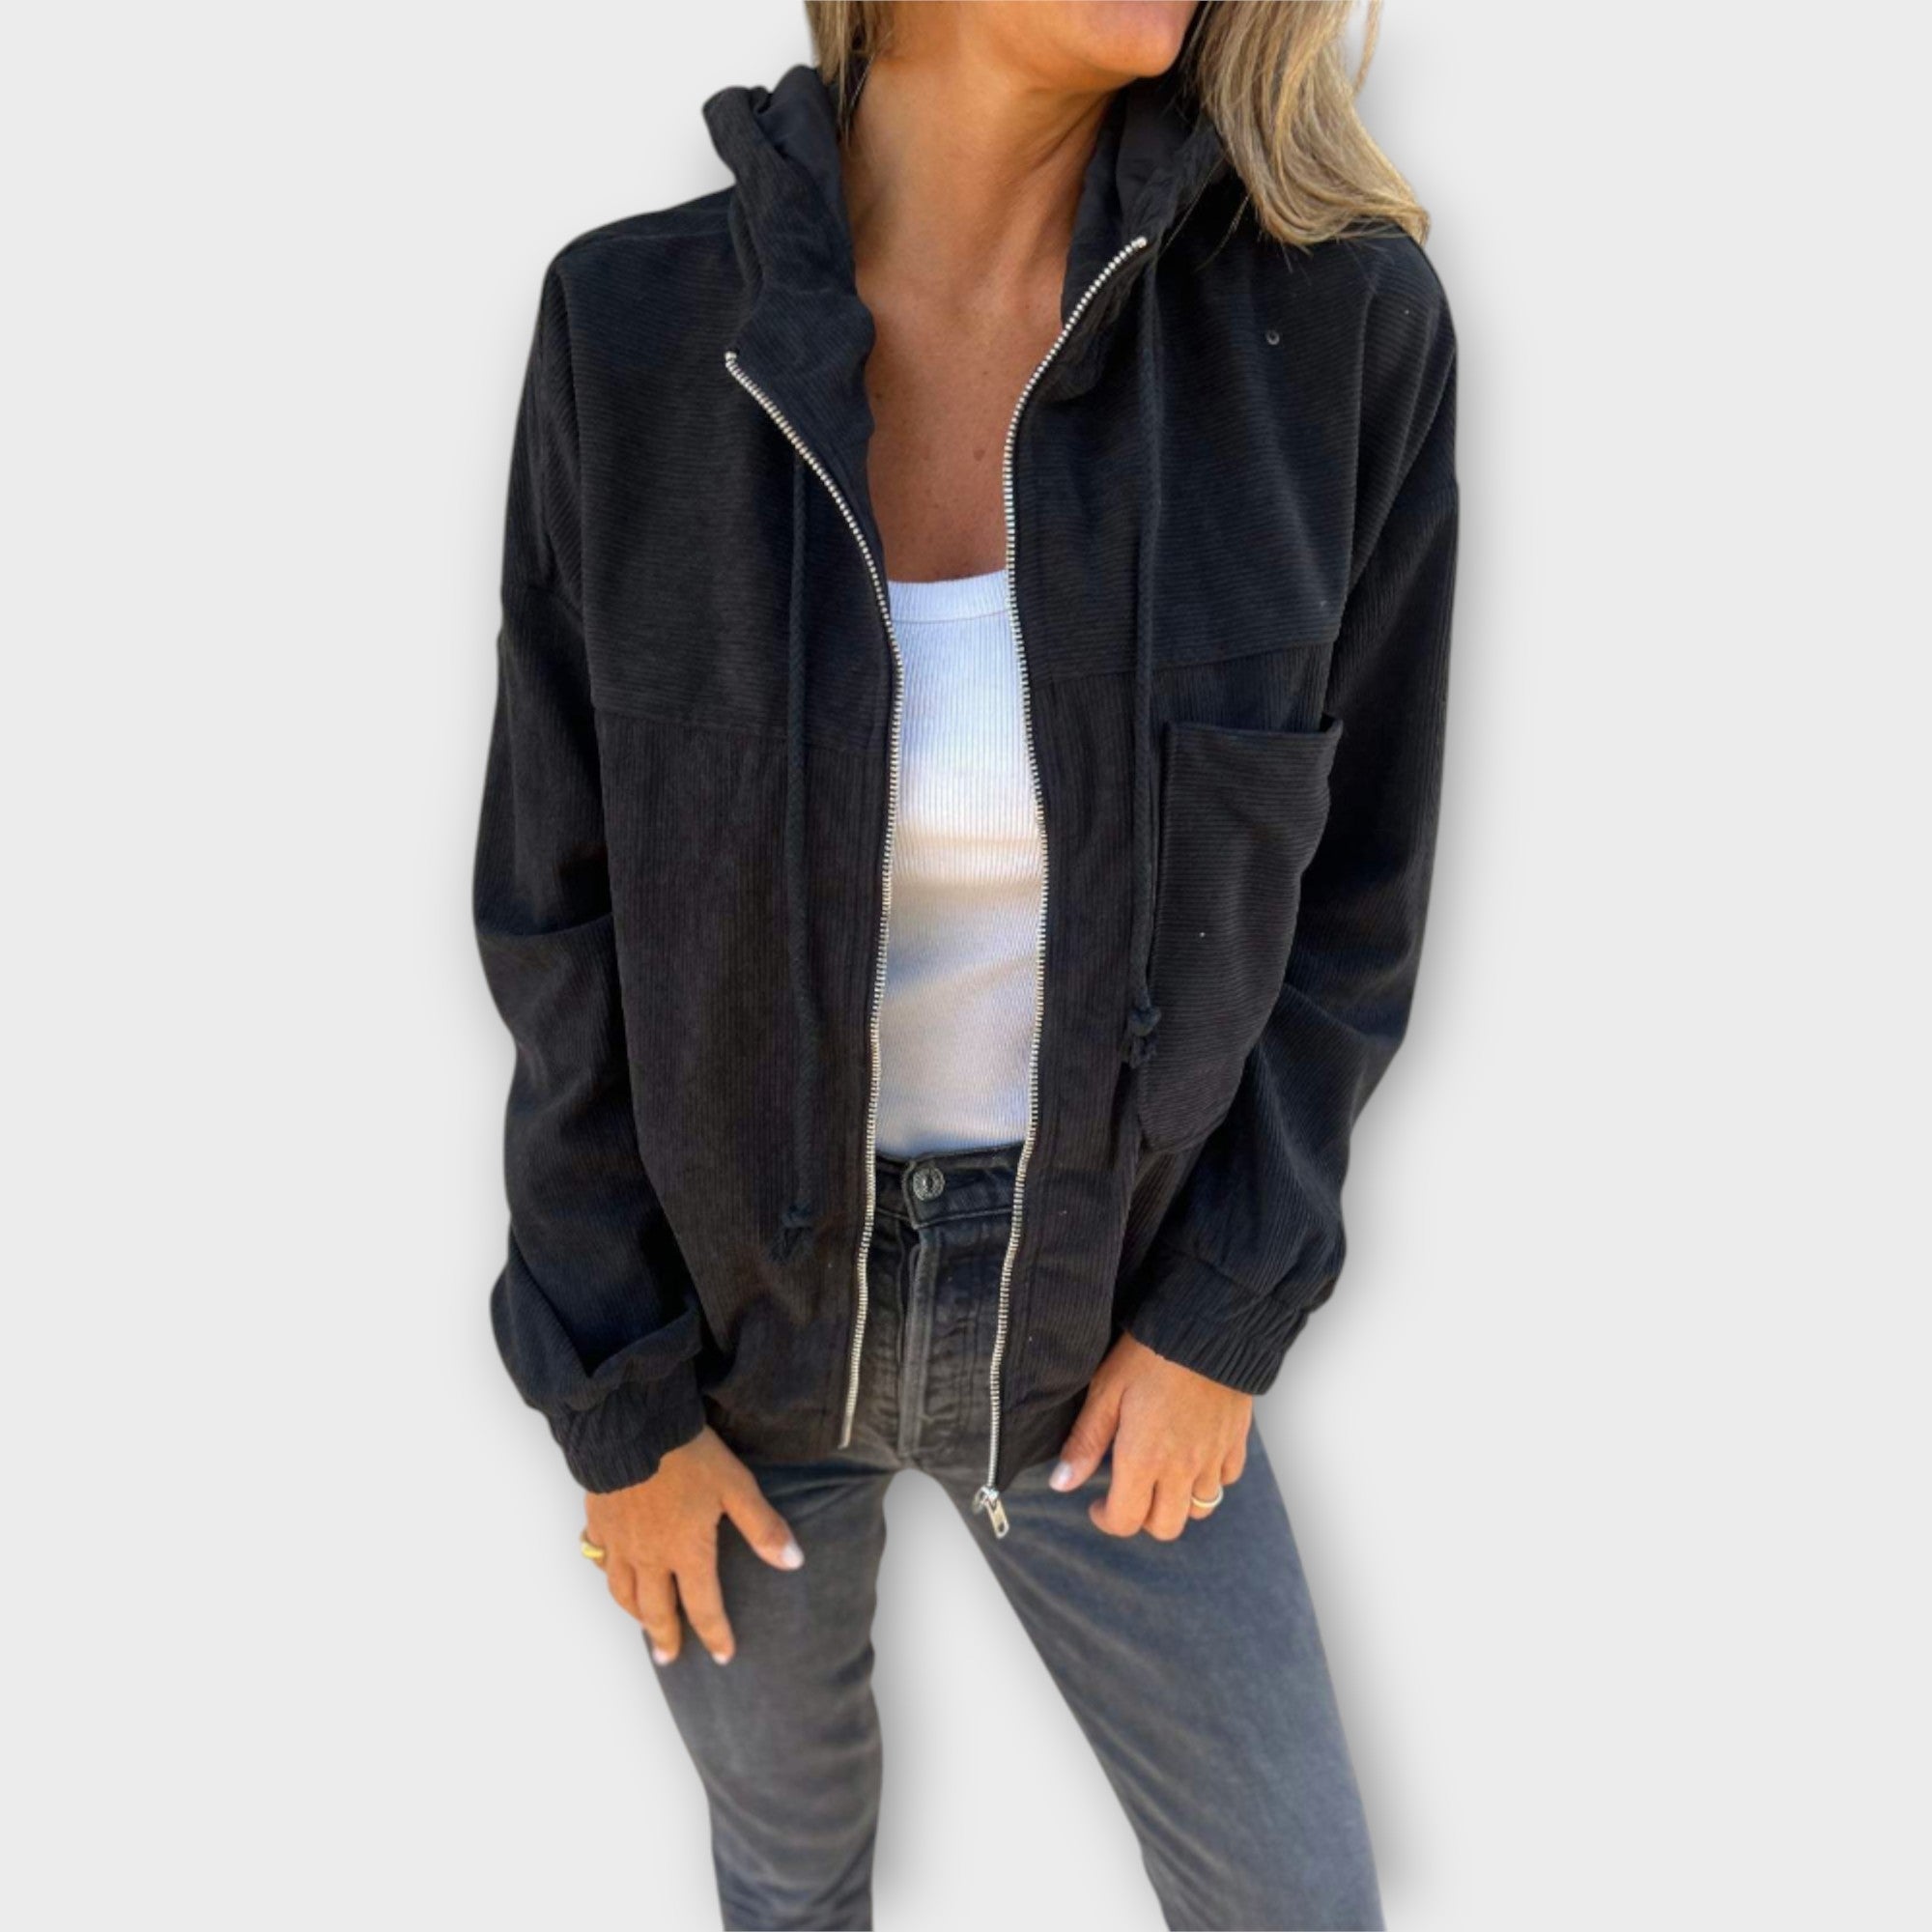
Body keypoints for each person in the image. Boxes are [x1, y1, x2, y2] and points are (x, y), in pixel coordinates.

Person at [473, 3, 1456, 1924]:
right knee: (790, 1878)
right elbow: (555, 916)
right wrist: (617, 1400)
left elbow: (1358, 895)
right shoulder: (633, 330)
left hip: (1109, 1314)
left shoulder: (1333, 333)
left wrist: (1223, 1316)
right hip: (731, 1343)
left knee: (1296, 1897)